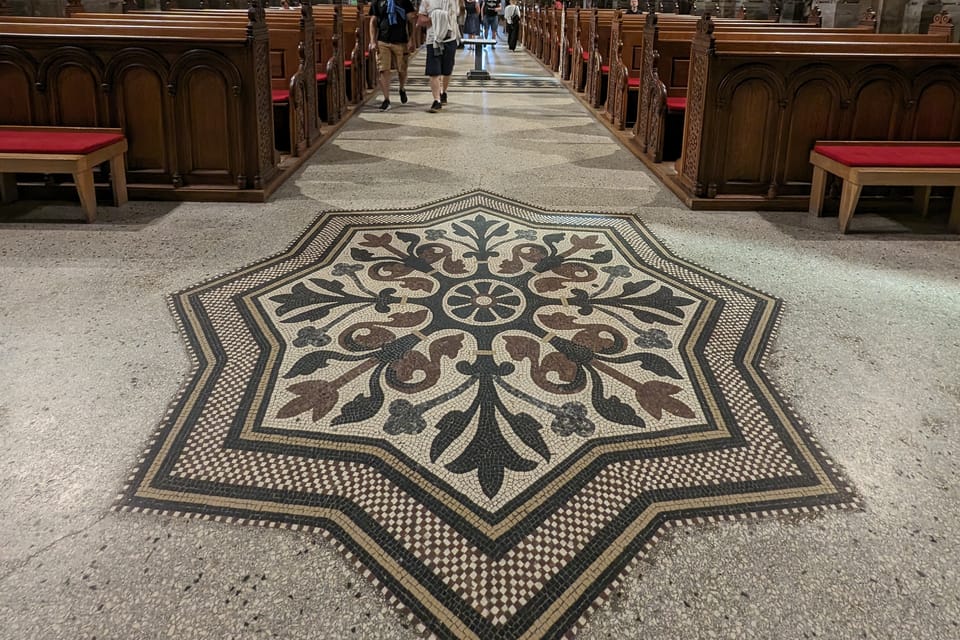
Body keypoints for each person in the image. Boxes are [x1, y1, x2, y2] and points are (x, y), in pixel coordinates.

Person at [369, 0, 417, 111]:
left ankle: (402, 88)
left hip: (401, 41)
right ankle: (386, 99)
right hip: (383, 41)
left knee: (402, 70)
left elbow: (411, 21)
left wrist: (411, 39)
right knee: (383, 69)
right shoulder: (377, 2)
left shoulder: (404, 2)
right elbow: (373, 22)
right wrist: (372, 40)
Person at [419, 0, 460, 113]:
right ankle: (436, 100)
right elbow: (421, 19)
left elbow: (456, 13)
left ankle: (443, 92)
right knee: (434, 71)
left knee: (447, 70)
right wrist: (435, 19)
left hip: (450, 38)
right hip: (433, 39)